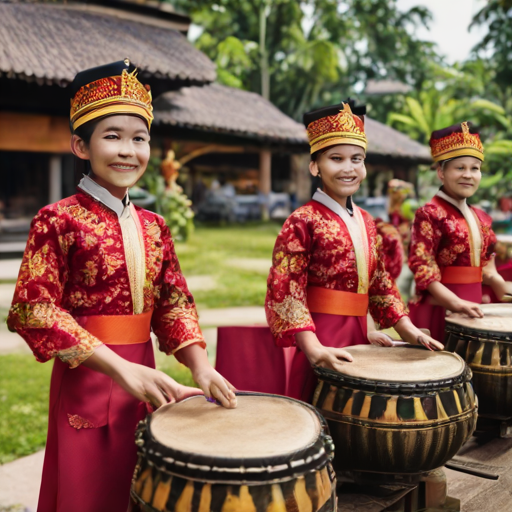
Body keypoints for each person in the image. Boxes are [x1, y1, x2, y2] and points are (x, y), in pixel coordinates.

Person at [7, 60, 236, 512]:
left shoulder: (155, 226)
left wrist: (201, 367)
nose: (128, 150)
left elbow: (173, 303)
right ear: (80, 145)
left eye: (140, 138)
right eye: (112, 136)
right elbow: (33, 309)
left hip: (146, 377)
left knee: (139, 489)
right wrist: (120, 369)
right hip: (90, 376)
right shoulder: (58, 219)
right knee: (88, 491)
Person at [265, 100, 443, 402]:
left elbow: (380, 284)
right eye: (336, 158)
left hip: (359, 336)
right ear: (315, 166)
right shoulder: (302, 220)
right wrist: (312, 348)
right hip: (321, 341)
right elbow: (286, 289)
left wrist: (407, 329)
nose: (348, 168)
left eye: (357, 159)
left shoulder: (367, 221)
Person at [408, 122, 512, 341]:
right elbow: (423, 268)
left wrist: (497, 282)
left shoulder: (482, 217)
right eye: (459, 168)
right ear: (441, 172)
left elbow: (487, 263)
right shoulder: (430, 214)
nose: (468, 174)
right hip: (440, 309)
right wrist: (455, 303)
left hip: (473, 308)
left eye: (475, 168)